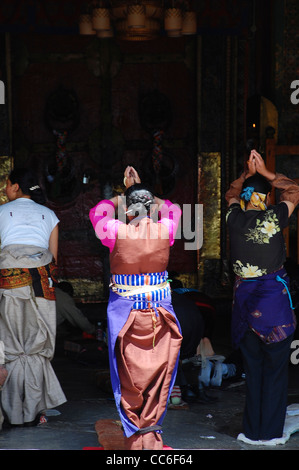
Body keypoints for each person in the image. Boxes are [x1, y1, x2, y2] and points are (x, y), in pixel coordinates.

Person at [89, 166, 182, 450]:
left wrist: (122, 196)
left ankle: (134, 434)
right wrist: (143, 192)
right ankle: (151, 436)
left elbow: (97, 212)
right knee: (158, 374)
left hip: (125, 315)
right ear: (151, 208)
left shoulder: (115, 231)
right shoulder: (166, 229)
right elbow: (174, 208)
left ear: (128, 211)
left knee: (127, 374)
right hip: (160, 315)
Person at [225, 149, 299, 445]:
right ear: (266, 199)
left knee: (253, 371)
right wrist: (266, 172)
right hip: (273, 308)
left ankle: (251, 432)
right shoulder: (274, 217)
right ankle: (270, 434)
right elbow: (294, 191)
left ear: (244, 199)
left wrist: (246, 173)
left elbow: (231, 192)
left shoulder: (234, 219)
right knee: (276, 371)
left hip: (245, 307)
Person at [0, 168, 66, 426]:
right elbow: (54, 258)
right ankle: (38, 412)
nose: (5, 189)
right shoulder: (50, 215)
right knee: (37, 347)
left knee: (11, 344)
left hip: (9, 282)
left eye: (6, 184)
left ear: (15, 187)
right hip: (42, 283)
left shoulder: (1, 212)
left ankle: (10, 412)